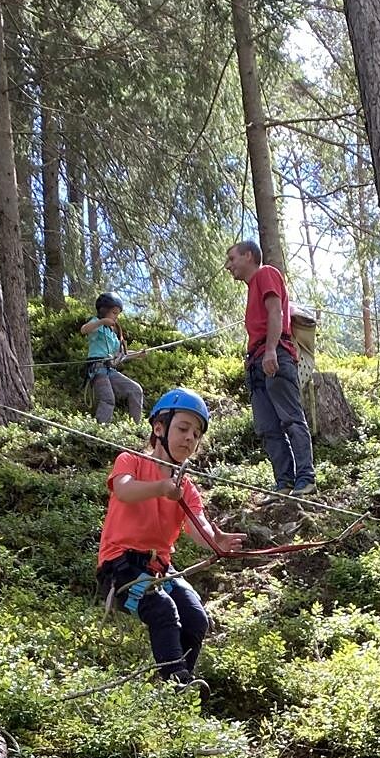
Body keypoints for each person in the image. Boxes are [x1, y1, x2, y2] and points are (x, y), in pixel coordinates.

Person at [97, 388, 245, 689]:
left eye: (196, 433)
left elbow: (197, 525)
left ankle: (179, 682)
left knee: (196, 617)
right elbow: (124, 490)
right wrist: (162, 488)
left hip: (160, 569)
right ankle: (176, 683)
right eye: (182, 428)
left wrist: (216, 540)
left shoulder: (186, 489)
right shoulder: (131, 461)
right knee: (162, 609)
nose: (189, 438)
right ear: (159, 428)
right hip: (120, 567)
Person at [224, 240, 314, 496]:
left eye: (232, 259)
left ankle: (306, 478)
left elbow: (275, 311)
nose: (228, 266)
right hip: (257, 362)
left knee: (290, 418)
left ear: (249, 256)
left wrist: (272, 350)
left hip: (274, 356)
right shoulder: (253, 287)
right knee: (268, 428)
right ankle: (284, 483)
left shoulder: (266, 274)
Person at [80, 293, 143, 423]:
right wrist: (102, 322)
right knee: (108, 399)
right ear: (104, 310)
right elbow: (84, 330)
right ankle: (101, 431)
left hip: (110, 370)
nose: (116, 317)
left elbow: (120, 353)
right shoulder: (96, 324)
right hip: (97, 369)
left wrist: (137, 354)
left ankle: (136, 427)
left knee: (135, 390)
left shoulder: (112, 333)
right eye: (114, 313)